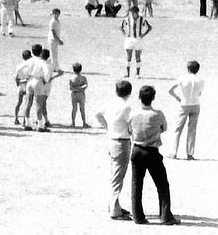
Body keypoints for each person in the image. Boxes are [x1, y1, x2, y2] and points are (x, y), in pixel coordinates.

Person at [127, 85, 179, 225]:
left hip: (137, 150)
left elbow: (129, 130)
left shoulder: (133, 114)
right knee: (162, 184)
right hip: (152, 150)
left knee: (136, 185)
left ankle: (138, 216)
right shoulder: (158, 114)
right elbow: (164, 128)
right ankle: (165, 215)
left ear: (139, 98)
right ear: (153, 98)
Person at [95, 80, 134, 220]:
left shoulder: (110, 103)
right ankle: (114, 210)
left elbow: (98, 114)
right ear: (129, 92)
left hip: (111, 139)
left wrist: (107, 126)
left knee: (115, 174)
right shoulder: (126, 107)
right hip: (122, 141)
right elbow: (131, 124)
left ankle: (114, 204)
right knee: (118, 176)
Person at [168, 60, 204, 160]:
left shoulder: (183, 78)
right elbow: (200, 93)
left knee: (177, 129)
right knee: (192, 130)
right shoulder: (200, 80)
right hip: (196, 104)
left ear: (188, 68)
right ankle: (190, 153)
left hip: (184, 104)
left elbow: (170, 90)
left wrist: (178, 98)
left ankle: (173, 152)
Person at [120, 5, 152, 78]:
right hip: (130, 39)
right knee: (128, 56)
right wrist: (125, 34)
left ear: (137, 12)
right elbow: (120, 27)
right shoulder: (127, 19)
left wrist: (143, 35)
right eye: (131, 12)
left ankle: (137, 73)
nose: (132, 14)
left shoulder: (142, 19)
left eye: (133, 12)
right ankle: (127, 74)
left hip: (138, 39)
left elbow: (149, 27)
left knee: (137, 56)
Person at [68, 62, 89, 128]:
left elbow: (71, 88)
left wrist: (76, 89)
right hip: (81, 94)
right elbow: (85, 86)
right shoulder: (84, 78)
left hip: (74, 94)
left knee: (74, 108)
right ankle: (84, 123)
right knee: (82, 108)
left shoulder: (72, 78)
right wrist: (80, 89)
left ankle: (73, 123)